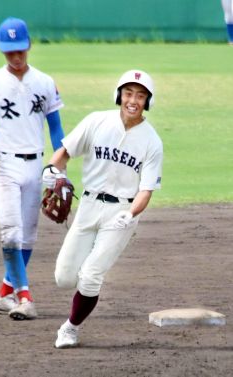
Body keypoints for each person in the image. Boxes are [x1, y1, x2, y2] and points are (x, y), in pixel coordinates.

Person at [42, 69, 163, 348]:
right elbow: (65, 152)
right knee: (64, 278)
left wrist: (131, 214)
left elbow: (146, 191)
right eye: (129, 93)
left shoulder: (152, 141)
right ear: (119, 95)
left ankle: (70, 328)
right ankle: (86, 279)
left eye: (141, 95)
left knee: (91, 275)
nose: (133, 100)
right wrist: (52, 169)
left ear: (148, 102)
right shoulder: (97, 121)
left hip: (121, 213)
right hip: (87, 205)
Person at [0, 17, 65, 320]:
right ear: (2, 51)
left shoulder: (45, 83)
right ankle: (25, 297)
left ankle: (3, 294)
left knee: (27, 239)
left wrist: (59, 168)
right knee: (10, 235)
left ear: (29, 46)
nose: (16, 57)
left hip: (36, 165)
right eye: (10, 52)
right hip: (4, 165)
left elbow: (57, 130)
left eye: (20, 50)